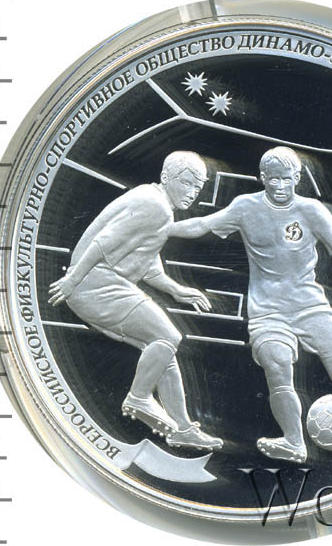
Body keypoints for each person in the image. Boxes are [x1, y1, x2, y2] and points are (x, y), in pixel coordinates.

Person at [169, 146, 332, 463]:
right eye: (273, 179)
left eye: (286, 179)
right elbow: (203, 225)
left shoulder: (312, 211)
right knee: (276, 364)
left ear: (297, 178)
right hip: (268, 312)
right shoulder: (245, 207)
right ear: (263, 178)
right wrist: (163, 229)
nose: (280, 186)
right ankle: (294, 442)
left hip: (310, 306)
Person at [47, 151, 223, 452]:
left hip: (99, 283)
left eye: (198, 187)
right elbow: (104, 242)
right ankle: (139, 396)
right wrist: (72, 280)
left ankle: (181, 429)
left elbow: (147, 262)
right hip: (95, 284)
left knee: (162, 350)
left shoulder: (154, 202)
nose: (193, 192)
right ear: (166, 177)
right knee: (168, 337)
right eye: (186, 183)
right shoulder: (155, 206)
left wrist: (177, 290)